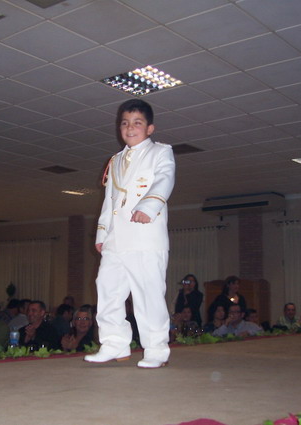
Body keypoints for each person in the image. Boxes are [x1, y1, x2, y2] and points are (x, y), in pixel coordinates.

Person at [84, 99, 176, 369]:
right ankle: (114, 343)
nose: (130, 128)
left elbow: (165, 178)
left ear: (150, 128)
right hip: (116, 239)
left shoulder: (160, 152)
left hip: (145, 236)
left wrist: (149, 206)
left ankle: (156, 349)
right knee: (107, 290)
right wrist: (102, 233)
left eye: (137, 123)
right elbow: (110, 200)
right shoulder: (115, 160)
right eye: (125, 123)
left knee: (148, 295)